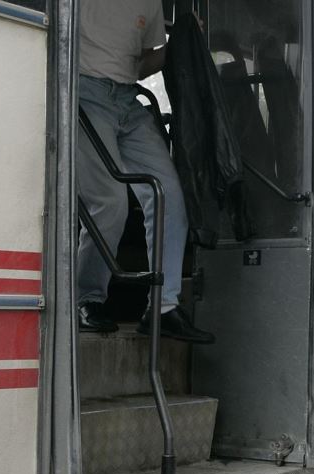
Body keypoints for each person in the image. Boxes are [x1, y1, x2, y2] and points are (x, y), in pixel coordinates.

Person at [77, 0, 213, 343]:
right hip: (85, 90)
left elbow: (140, 65)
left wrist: (176, 43)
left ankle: (163, 308)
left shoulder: (149, 4)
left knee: (167, 194)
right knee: (110, 202)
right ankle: (85, 299)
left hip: (126, 99)